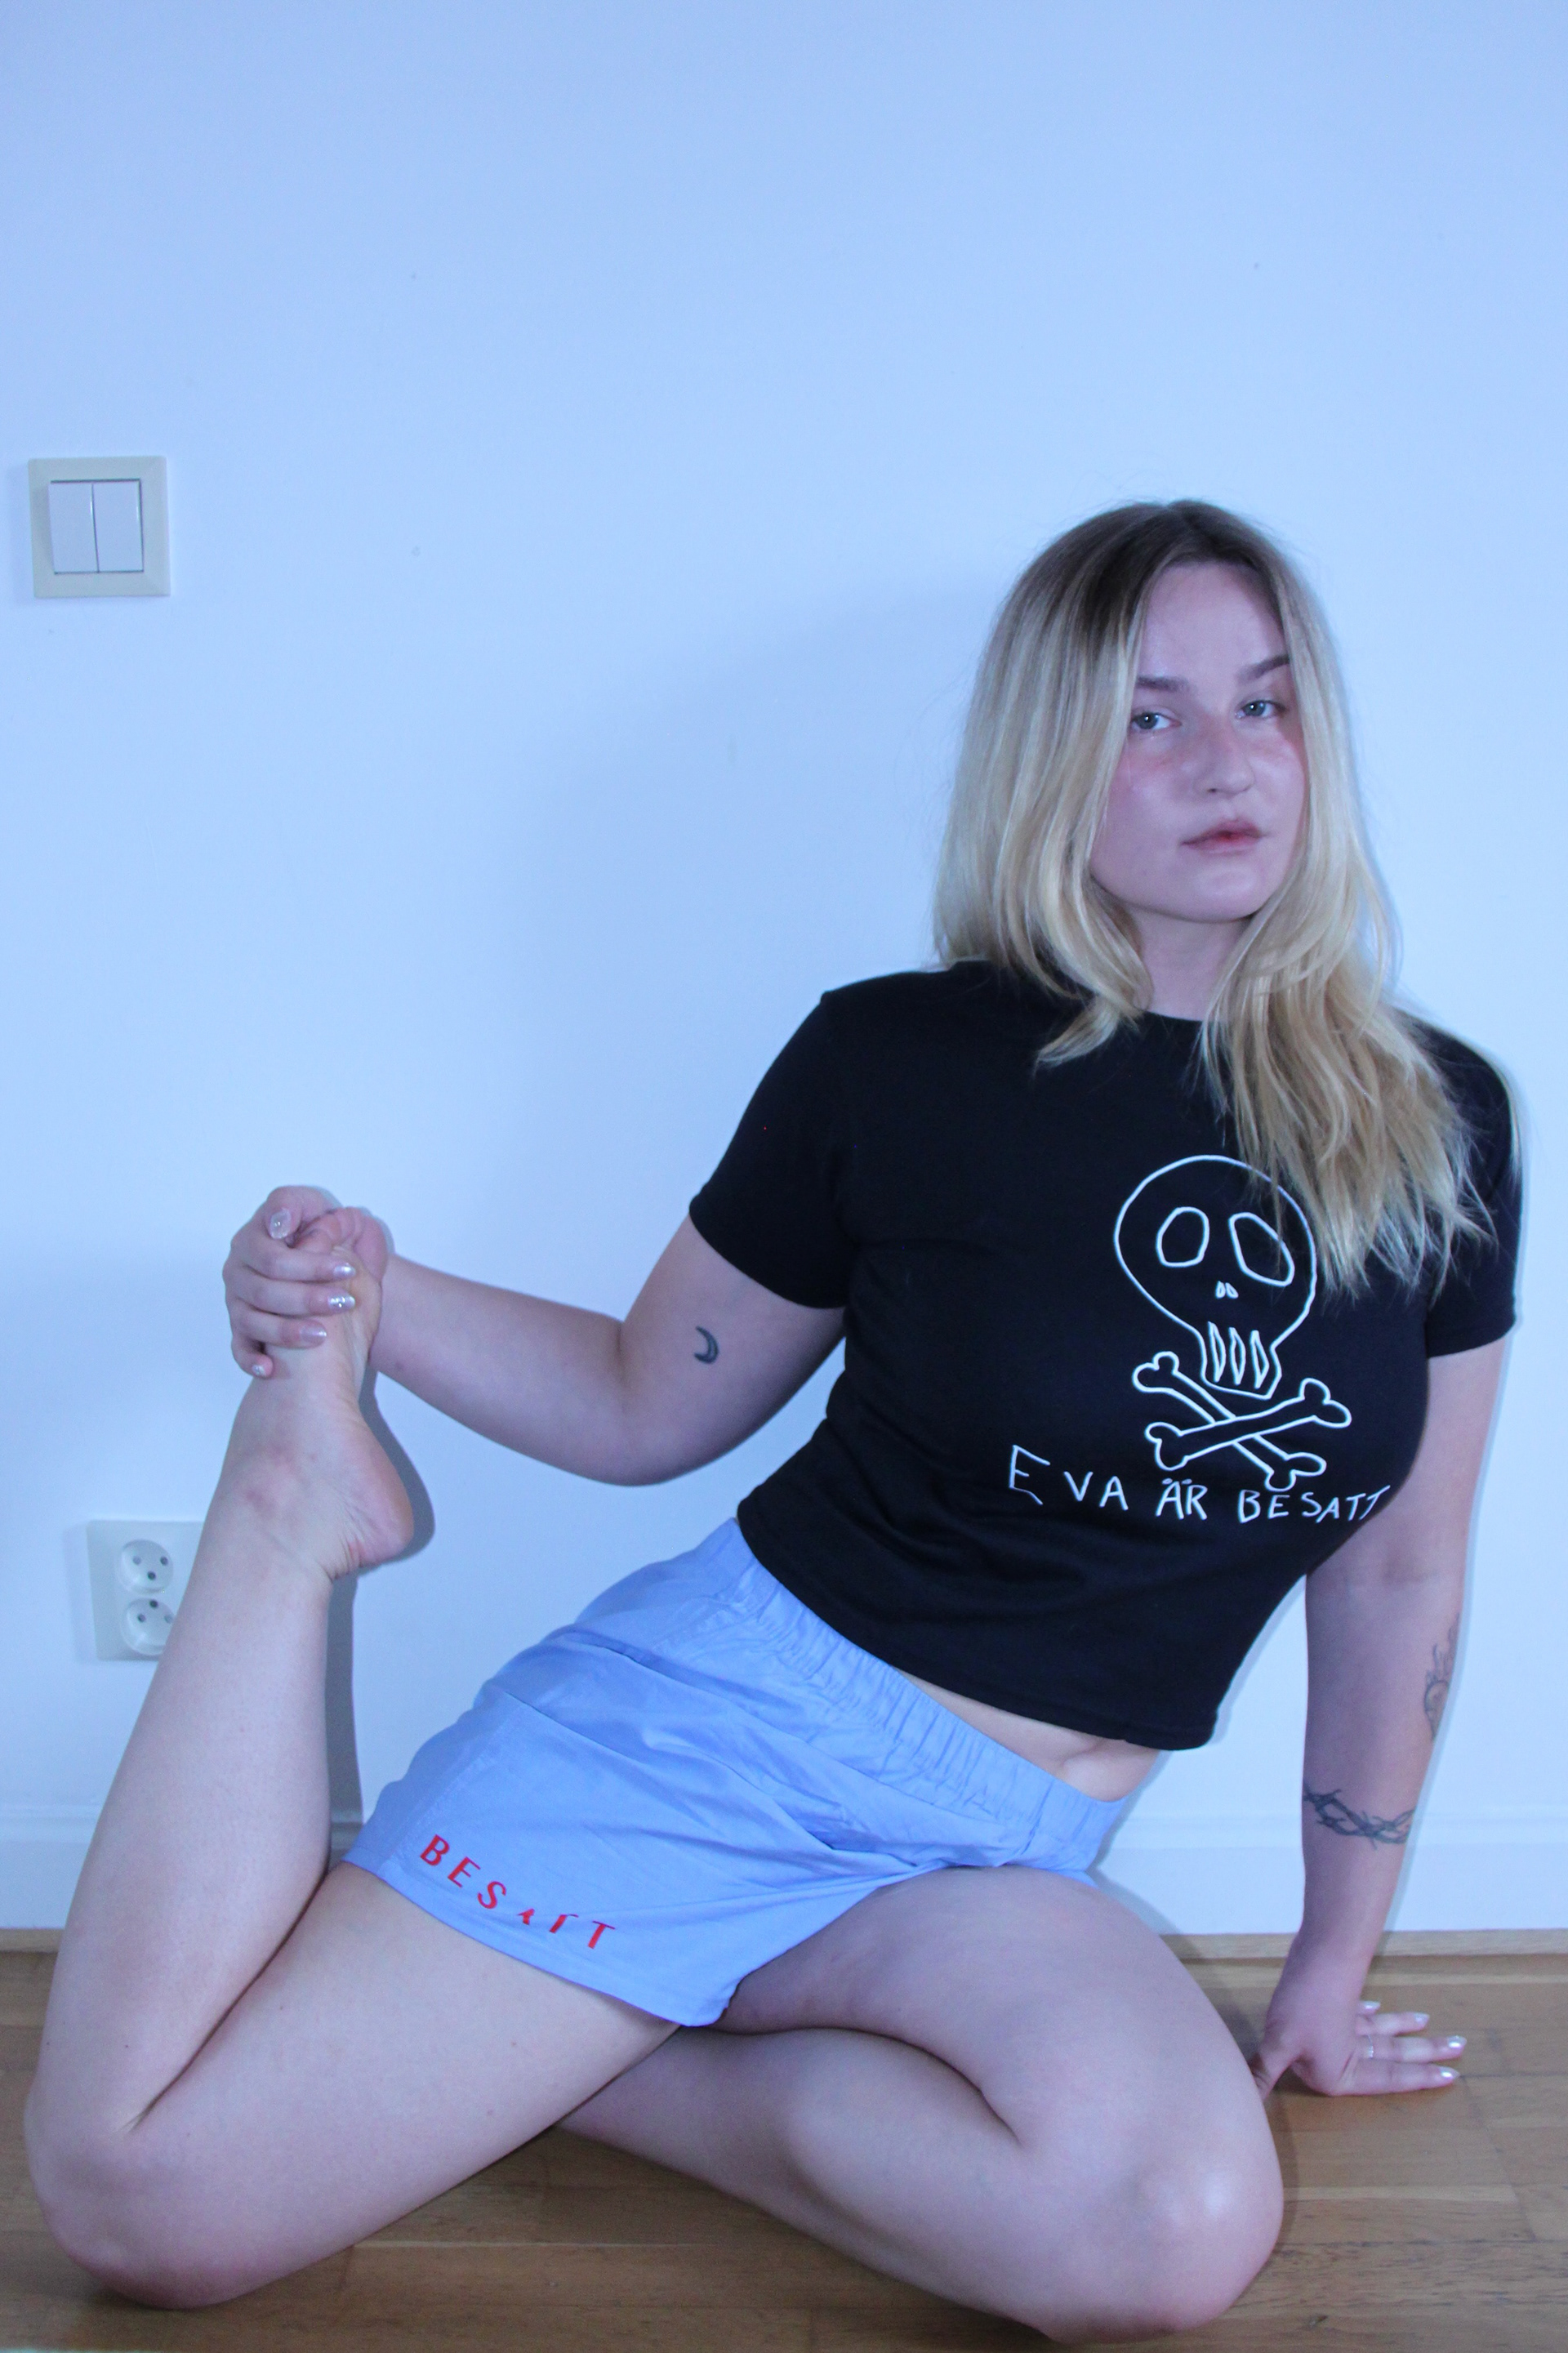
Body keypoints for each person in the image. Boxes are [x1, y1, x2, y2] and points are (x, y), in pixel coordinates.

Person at [26, 502, 1519, 2343]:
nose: (1229, 760)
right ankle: (285, 1516)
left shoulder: (1436, 1124)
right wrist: (364, 1298)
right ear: (1053, 760)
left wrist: (1328, 1961)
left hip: (990, 1860)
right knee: (143, 2203)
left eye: (1267, 703)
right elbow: (644, 1400)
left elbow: (1399, 1579)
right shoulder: (900, 1062)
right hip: (722, 1744)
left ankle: (580, 2045)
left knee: (1173, 2229)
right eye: (1151, 715)